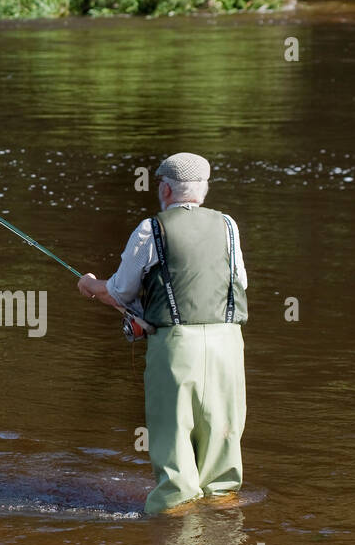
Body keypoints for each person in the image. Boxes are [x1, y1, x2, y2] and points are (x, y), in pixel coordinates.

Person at [77, 152, 248, 514]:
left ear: (166, 189)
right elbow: (239, 282)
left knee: (173, 433)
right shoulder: (229, 225)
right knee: (222, 429)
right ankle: (223, 503)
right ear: (203, 189)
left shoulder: (150, 228)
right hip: (228, 343)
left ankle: (174, 514)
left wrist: (91, 285)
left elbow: (120, 291)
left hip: (176, 347)